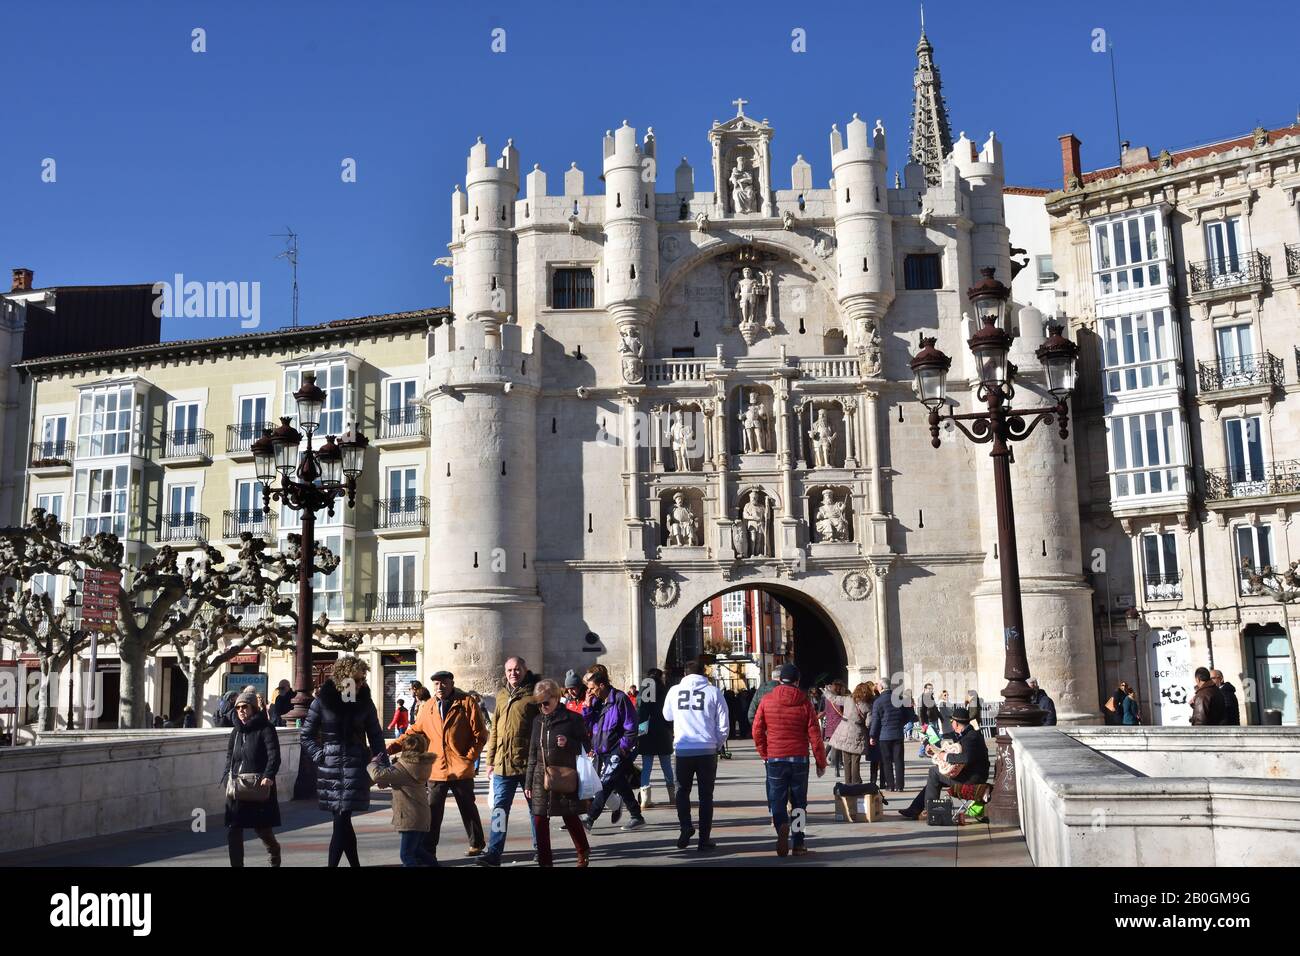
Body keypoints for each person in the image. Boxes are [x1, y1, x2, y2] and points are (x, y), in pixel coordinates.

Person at [389, 669, 487, 862]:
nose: (439, 687)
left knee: (467, 807)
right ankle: (429, 850)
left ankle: (476, 843)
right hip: (437, 768)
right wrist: (393, 746)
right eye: (436, 684)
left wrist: (469, 757)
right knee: (432, 811)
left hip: (460, 768)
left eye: (443, 683)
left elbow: (480, 735)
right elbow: (414, 731)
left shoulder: (466, 702)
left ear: (451, 684)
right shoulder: (429, 706)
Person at [300, 656, 388, 867]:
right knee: (342, 821)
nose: (361, 683)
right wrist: (320, 755)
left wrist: (384, 767)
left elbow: (376, 736)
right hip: (330, 768)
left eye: (363, 679)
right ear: (344, 678)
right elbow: (306, 735)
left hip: (355, 766)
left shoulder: (364, 703)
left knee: (342, 819)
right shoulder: (322, 702)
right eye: (357, 679)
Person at [752, 663, 826, 858]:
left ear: (779, 680)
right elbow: (815, 735)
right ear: (797, 681)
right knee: (799, 802)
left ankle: (781, 826)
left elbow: (757, 730)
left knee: (777, 799)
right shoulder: (805, 702)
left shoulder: (767, 700)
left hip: (775, 757)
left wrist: (764, 753)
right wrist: (820, 761)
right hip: (799, 758)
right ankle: (799, 842)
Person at [479, 656, 541, 866]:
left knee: (536, 809)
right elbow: (495, 729)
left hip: (528, 764)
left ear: (525, 669)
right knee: (499, 810)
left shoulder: (534, 695)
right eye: (509, 670)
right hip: (503, 765)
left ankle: (541, 848)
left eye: (516, 669)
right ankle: (494, 853)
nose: (513, 673)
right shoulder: (502, 695)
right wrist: (490, 760)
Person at [662, 659, 729, 850]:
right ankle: (704, 839)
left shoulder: (674, 691)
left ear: (685, 673)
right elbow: (724, 724)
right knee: (706, 795)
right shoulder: (714, 692)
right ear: (704, 673)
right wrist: (716, 744)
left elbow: (667, 715)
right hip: (707, 749)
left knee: (682, 791)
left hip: (683, 749)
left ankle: (685, 826)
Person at [524, 679, 592, 867]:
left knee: (570, 816)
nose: (542, 707)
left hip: (565, 775)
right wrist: (528, 782)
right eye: (539, 704)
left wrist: (568, 743)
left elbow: (587, 747)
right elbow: (532, 753)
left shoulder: (573, 719)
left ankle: (583, 850)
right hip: (541, 776)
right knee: (539, 819)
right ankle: (545, 862)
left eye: (546, 702)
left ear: (556, 698)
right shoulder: (537, 721)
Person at [581, 664, 645, 831]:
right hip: (601, 749)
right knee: (619, 782)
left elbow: (631, 725)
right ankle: (636, 815)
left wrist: (624, 747)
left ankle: (590, 817)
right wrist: (587, 706)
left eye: (592, 688)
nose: (590, 691)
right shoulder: (595, 701)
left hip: (617, 749)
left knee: (605, 783)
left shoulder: (619, 698)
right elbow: (586, 725)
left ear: (602, 685)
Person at [898, 706, 989, 820]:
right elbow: (956, 753)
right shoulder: (968, 734)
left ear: (956, 723)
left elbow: (965, 758)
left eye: (952, 721)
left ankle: (930, 810)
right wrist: (934, 752)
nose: (951, 724)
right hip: (969, 774)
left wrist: (944, 756)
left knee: (934, 772)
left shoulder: (971, 737)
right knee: (935, 778)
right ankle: (915, 809)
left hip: (972, 779)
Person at [223, 690, 281, 867]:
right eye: (238, 707)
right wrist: (226, 777)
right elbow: (230, 757)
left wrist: (268, 775)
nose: (241, 710)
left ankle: (274, 851)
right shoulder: (236, 731)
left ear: (253, 708)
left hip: (258, 786)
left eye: (244, 707)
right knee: (234, 830)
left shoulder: (266, 728)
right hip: (237, 787)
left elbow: (274, 755)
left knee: (262, 829)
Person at [369, 731, 438, 867]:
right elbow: (403, 780)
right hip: (423, 814)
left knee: (406, 855)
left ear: (405, 749)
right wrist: (389, 780)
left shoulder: (402, 767)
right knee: (417, 850)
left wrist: (372, 763)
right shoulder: (423, 764)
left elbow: (377, 775)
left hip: (409, 816)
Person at [636, 668, 675, 809]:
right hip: (663, 731)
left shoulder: (646, 686)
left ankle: (645, 799)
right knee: (666, 765)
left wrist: (640, 731)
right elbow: (669, 712)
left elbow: (641, 711)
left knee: (647, 766)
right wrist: (670, 730)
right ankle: (673, 796)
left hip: (647, 731)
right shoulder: (664, 690)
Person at [822, 682, 870, 785]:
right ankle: (856, 782)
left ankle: (848, 782)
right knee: (855, 759)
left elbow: (834, 699)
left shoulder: (848, 699)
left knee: (846, 759)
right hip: (857, 732)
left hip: (844, 730)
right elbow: (869, 723)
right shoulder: (866, 705)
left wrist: (826, 692)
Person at [869, 683, 907, 792]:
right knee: (899, 760)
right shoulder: (899, 699)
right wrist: (900, 724)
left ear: (881, 687)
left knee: (886, 761)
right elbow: (907, 715)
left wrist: (872, 735)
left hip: (884, 735)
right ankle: (900, 786)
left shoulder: (878, 701)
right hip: (898, 734)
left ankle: (890, 785)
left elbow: (875, 720)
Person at [821, 680, 847, 779]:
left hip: (830, 724)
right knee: (837, 746)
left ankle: (834, 764)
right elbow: (842, 711)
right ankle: (837, 767)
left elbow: (826, 710)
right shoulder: (839, 699)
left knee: (833, 744)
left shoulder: (827, 699)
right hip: (838, 723)